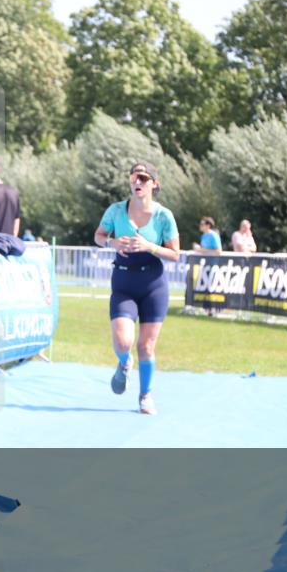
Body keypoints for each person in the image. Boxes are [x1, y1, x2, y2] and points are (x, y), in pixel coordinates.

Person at [93, 162, 180, 416]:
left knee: (146, 346)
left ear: (154, 184)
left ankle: (145, 395)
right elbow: (98, 236)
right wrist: (112, 242)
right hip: (124, 282)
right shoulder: (116, 210)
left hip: (153, 285)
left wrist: (149, 246)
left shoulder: (164, 216)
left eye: (143, 178)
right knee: (123, 342)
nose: (138, 182)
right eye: (134, 178)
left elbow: (175, 254)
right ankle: (124, 362)